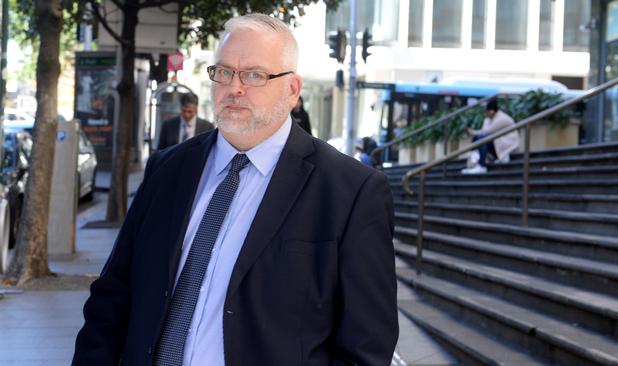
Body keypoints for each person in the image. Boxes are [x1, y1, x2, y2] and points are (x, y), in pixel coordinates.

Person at [72, 13, 398, 366]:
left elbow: (367, 346)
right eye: (224, 72)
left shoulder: (350, 192)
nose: (235, 87)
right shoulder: (168, 169)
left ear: (292, 90)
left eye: (255, 75)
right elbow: (112, 299)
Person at [462, 100, 519, 174]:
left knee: (481, 139)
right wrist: (473, 133)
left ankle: (481, 166)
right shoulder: (488, 119)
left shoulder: (502, 118)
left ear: (491, 111)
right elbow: (484, 131)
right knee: (477, 138)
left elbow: (487, 131)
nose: (484, 114)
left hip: (505, 146)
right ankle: (474, 164)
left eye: (486, 111)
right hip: (496, 143)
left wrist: (472, 132)